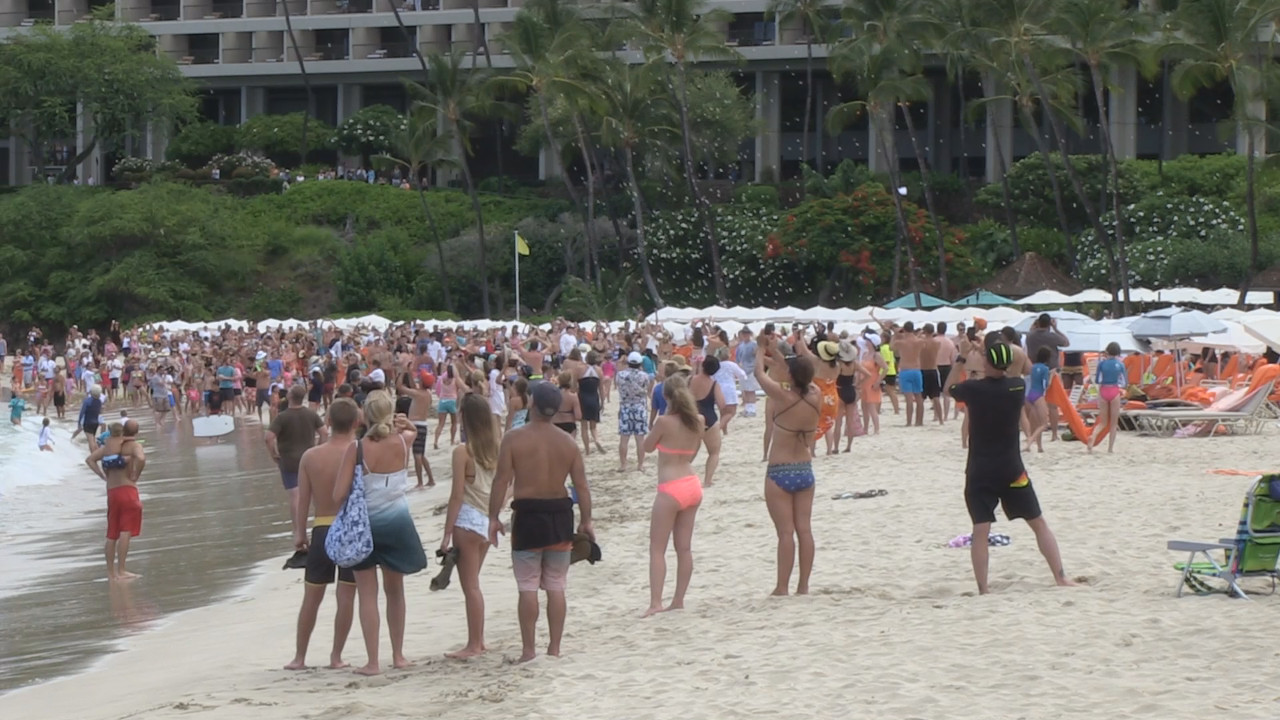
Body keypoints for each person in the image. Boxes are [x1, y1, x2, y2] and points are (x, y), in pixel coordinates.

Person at [948, 341, 1075, 595]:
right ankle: (1060, 578)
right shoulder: (1016, 387)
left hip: (980, 470)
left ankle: (984, 589)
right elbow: (1018, 370)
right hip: (1012, 470)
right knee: (1038, 523)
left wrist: (962, 359)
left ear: (986, 362)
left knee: (981, 530)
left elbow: (949, 388)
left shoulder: (973, 389)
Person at [488, 382, 593, 662]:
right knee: (557, 584)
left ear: (531, 404)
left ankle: (528, 650)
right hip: (559, 514)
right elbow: (581, 486)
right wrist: (587, 521)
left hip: (528, 516)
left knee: (528, 585)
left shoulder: (513, 438)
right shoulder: (568, 442)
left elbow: (501, 480)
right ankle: (555, 648)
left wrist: (492, 516)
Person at [333, 390, 427, 676]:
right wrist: (406, 422)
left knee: (368, 594)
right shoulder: (402, 441)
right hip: (397, 521)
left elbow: (338, 493)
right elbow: (413, 431)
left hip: (365, 526)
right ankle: (398, 655)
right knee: (395, 591)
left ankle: (373, 662)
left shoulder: (357, 448)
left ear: (365, 414)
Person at [284, 398, 358, 671]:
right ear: (356, 423)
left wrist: (299, 532)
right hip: (350, 529)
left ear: (327, 422)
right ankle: (336, 656)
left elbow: (303, 499)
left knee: (312, 596)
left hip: (322, 527)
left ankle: (299, 657)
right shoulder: (359, 453)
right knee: (346, 595)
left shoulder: (311, 456)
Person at [754, 336, 819, 596]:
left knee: (785, 534)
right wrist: (780, 355)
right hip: (804, 469)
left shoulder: (781, 395)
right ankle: (803, 585)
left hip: (780, 470)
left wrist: (761, 348)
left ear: (791, 376)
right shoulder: (816, 394)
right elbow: (798, 374)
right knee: (805, 530)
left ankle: (782, 586)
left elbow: (759, 373)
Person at [439, 395, 501, 659]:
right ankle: (480, 640)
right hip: (487, 519)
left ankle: (474, 643)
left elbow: (456, 495)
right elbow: (507, 485)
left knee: (470, 586)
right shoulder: (497, 448)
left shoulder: (463, 452)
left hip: (467, 520)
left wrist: (446, 533)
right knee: (474, 583)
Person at [641, 375, 704, 617]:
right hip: (691, 482)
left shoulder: (664, 422)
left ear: (666, 396)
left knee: (657, 548)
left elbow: (647, 447)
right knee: (684, 548)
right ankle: (678, 599)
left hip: (670, 486)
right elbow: (694, 452)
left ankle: (656, 602)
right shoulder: (698, 420)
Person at [85, 419, 146, 582]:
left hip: (112, 492)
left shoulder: (108, 448)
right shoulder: (133, 446)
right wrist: (136, 475)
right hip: (128, 491)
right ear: (136, 433)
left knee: (112, 533)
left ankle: (111, 573)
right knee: (125, 531)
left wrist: (101, 475)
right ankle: (122, 570)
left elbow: (89, 459)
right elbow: (141, 458)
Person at [267, 385, 328, 535]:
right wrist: (319, 450)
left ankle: (298, 531)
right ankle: (320, 528)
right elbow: (324, 433)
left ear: (289, 397)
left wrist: (273, 454)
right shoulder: (311, 414)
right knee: (315, 494)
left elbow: (268, 438)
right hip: (309, 459)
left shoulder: (282, 417)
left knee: (295, 495)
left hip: (289, 460)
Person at [1025, 314, 1069, 441]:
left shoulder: (1030, 336)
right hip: (1051, 371)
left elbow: (1030, 330)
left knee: (1033, 404)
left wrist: (1035, 325)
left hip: (1033, 370)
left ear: (1038, 323)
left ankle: (1032, 433)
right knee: (1052, 405)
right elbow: (1066, 342)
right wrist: (1055, 329)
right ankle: (1054, 434)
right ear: (1050, 324)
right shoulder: (1052, 336)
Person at [688, 356, 726, 487]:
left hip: (692, 418)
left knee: (689, 453)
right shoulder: (714, 384)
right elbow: (722, 405)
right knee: (714, 452)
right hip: (709, 418)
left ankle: (683, 476)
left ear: (703, 366)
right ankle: (707, 480)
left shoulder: (690, 380)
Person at [615, 351, 652, 473]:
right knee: (640, 439)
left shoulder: (620, 375)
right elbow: (646, 389)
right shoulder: (644, 376)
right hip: (640, 408)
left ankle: (623, 465)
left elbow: (619, 387)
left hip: (625, 407)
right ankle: (640, 465)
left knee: (624, 439)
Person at [400, 372, 437, 488]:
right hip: (423, 424)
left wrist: (402, 373)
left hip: (415, 425)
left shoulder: (417, 394)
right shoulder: (427, 394)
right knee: (421, 454)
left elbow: (400, 387)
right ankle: (430, 479)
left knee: (417, 455)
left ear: (421, 382)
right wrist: (408, 371)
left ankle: (420, 482)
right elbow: (412, 386)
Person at [1090, 342, 1126, 454]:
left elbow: (1097, 380)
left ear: (1107, 351)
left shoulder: (1101, 364)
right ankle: (1110, 448)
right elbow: (1124, 382)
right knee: (1113, 424)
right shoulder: (1120, 365)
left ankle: (1093, 436)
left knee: (1103, 422)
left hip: (1103, 391)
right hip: (1114, 390)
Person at [891, 323, 925, 426]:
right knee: (919, 397)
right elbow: (923, 345)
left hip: (905, 370)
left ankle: (909, 422)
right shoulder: (919, 341)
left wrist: (895, 334)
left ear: (904, 330)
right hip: (916, 369)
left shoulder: (901, 342)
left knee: (909, 398)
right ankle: (919, 421)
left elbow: (891, 347)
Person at [1025, 347, 1052, 453]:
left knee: (1035, 423)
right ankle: (1030, 441)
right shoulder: (1045, 369)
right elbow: (1046, 385)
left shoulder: (1032, 367)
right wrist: (1052, 376)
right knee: (1044, 423)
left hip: (1029, 394)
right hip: (1038, 395)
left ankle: (1039, 447)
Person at [578, 352, 605, 454]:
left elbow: (574, 385)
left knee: (584, 426)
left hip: (583, 397)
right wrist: (602, 402)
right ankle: (596, 440)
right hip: (594, 397)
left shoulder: (580, 369)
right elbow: (601, 388)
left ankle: (587, 450)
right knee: (593, 426)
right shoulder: (599, 370)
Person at [734, 328, 761, 417]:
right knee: (745, 390)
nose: (745, 335)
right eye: (744, 333)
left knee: (751, 390)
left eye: (747, 333)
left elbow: (757, 355)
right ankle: (747, 408)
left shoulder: (753, 344)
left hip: (751, 370)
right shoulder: (741, 345)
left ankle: (752, 409)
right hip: (743, 370)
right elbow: (738, 358)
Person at [433, 364, 460, 449]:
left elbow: (438, 388)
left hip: (442, 401)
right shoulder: (455, 380)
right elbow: (458, 389)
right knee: (454, 422)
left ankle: (436, 441)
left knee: (440, 424)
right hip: (452, 401)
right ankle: (452, 440)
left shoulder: (442, 379)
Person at [551, 371, 582, 437]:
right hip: (569, 423)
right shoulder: (573, 397)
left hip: (555, 423)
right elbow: (578, 416)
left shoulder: (553, 394)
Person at [76, 385, 104, 451]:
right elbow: (100, 411)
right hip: (95, 423)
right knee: (93, 440)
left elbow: (82, 413)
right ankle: (97, 454)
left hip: (88, 422)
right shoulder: (99, 401)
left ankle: (93, 455)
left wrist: (79, 423)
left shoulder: (87, 401)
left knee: (90, 441)